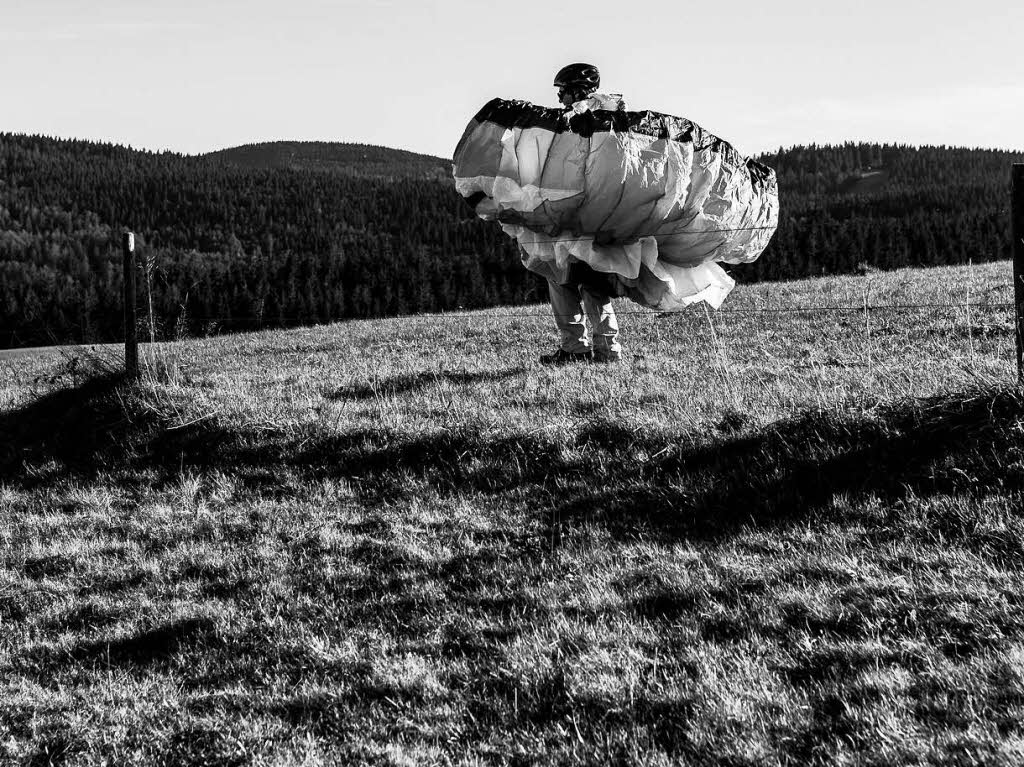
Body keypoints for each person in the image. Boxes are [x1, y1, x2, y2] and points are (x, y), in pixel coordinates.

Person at [539, 63, 623, 365]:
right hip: (598, 209)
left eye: (563, 90)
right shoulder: (613, 113)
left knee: (566, 277)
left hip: (580, 210)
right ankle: (605, 350)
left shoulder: (581, 118)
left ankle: (578, 348)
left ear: (577, 90)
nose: (560, 96)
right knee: (588, 278)